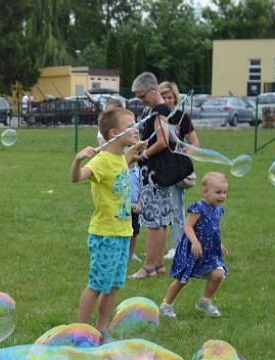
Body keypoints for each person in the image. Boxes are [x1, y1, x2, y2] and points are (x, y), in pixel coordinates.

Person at [70, 107, 145, 337]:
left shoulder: (120, 157)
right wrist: (77, 160)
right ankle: (80, 332)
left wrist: (134, 149)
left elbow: (123, 161)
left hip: (123, 233)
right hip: (105, 234)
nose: (136, 129)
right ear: (114, 132)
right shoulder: (101, 161)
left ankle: (100, 331)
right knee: (97, 284)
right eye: (130, 126)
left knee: (114, 286)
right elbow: (76, 178)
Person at [159, 172, 229, 319]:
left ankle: (205, 301)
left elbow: (212, 229)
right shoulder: (199, 208)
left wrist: (219, 243)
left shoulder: (217, 209)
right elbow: (188, 226)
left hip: (209, 251)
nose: (222, 196)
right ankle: (166, 305)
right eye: (218, 192)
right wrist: (195, 242)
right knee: (182, 280)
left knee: (218, 274)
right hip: (193, 250)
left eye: (224, 192)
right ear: (204, 192)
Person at [131, 72, 173, 280]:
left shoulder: (158, 111)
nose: (141, 100)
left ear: (153, 90)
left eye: (142, 96)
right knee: (162, 220)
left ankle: (148, 267)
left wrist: (142, 155)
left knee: (153, 221)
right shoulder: (161, 110)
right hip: (161, 172)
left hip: (154, 172)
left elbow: (163, 140)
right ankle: (158, 265)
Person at [160, 81, 199, 260]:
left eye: (170, 97)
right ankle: (159, 247)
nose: (167, 101)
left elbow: (194, 143)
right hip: (158, 168)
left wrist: (183, 160)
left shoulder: (182, 117)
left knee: (176, 208)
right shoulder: (155, 116)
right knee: (159, 209)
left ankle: (177, 247)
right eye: (164, 97)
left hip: (175, 169)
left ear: (176, 98)